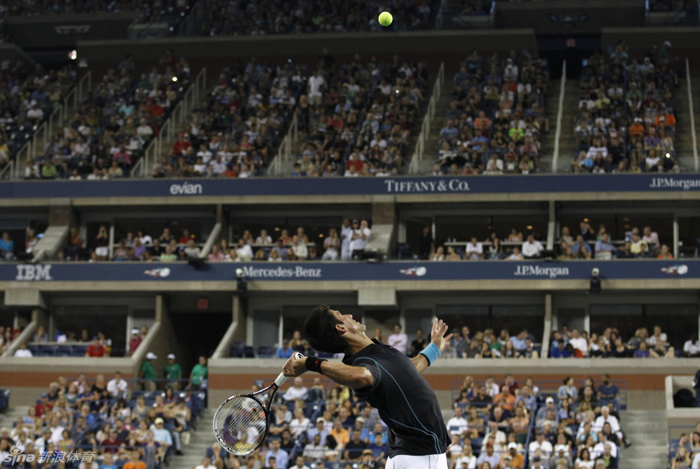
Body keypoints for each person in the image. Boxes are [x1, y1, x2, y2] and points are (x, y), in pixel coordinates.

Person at [282, 306, 452, 468]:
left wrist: (434, 348)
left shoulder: (377, 351)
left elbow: (408, 370)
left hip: (407, 454)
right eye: (342, 315)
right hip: (421, 457)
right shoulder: (364, 363)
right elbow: (361, 376)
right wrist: (311, 362)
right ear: (341, 328)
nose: (349, 316)